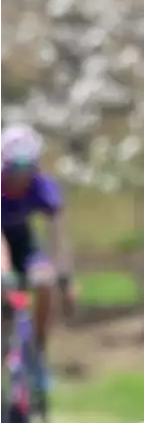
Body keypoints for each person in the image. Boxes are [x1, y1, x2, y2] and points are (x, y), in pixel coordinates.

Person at [0, 124, 75, 391]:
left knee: (44, 282)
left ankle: (38, 352)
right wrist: (5, 275)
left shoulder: (42, 187)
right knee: (2, 289)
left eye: (27, 169)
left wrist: (65, 279)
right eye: (13, 170)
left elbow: (57, 236)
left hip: (24, 244)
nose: (20, 177)